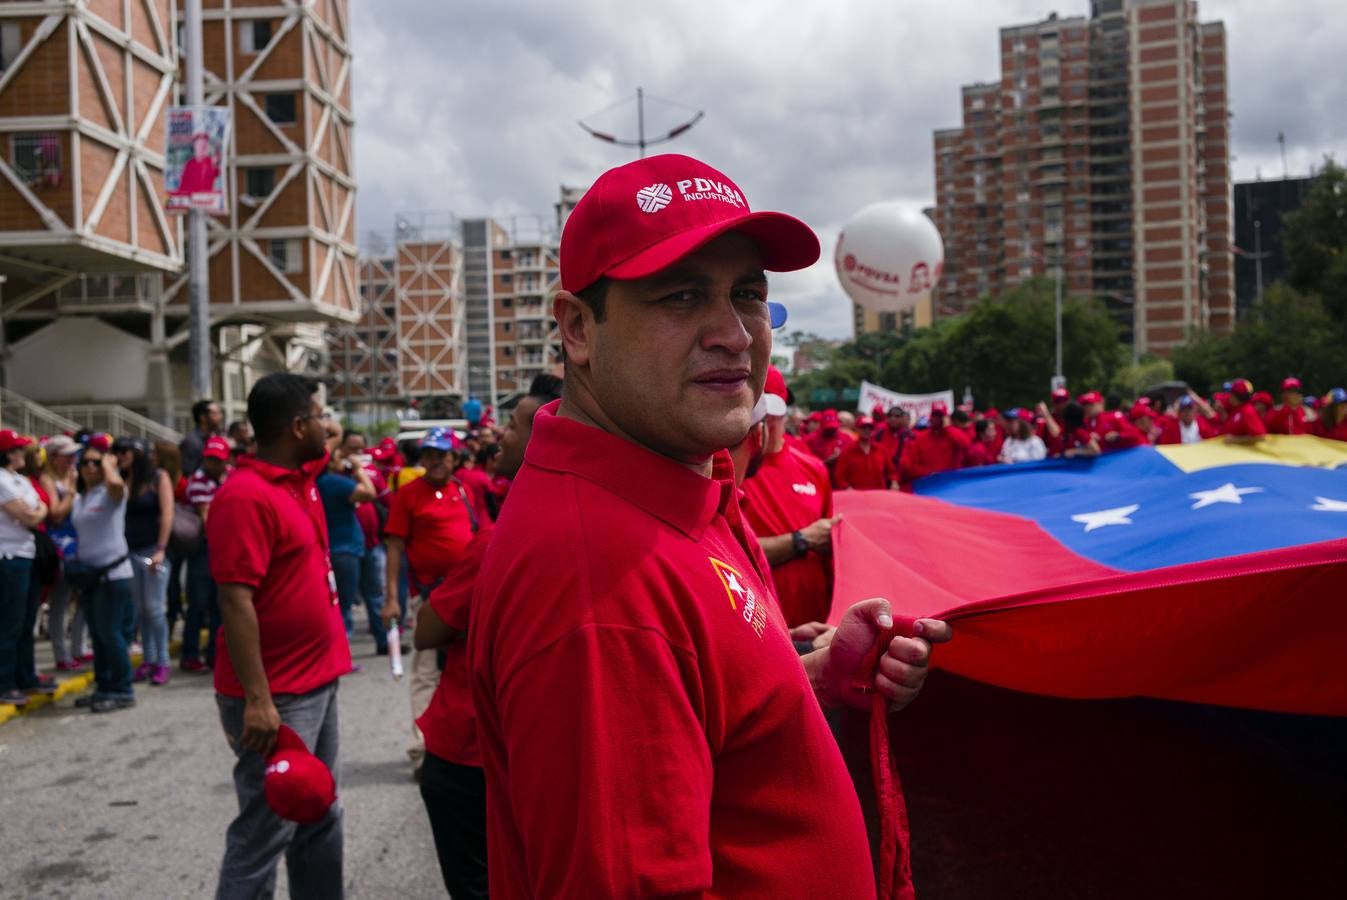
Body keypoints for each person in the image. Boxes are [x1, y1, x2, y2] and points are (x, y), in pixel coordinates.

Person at [469, 153, 951, 898]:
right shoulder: (598, 581)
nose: (732, 332)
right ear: (577, 329)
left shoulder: (678, 480)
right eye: (681, 296)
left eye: (747, 294)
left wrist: (813, 678)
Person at [413, 374, 562, 900]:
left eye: (517, 425)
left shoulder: (503, 540)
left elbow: (426, 631)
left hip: (470, 752)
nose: (501, 435)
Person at [207, 374, 348, 898]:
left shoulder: (299, 476)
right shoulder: (244, 496)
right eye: (316, 414)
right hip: (278, 693)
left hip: (316, 681)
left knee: (320, 811)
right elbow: (234, 599)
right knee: (269, 828)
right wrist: (259, 700)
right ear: (295, 427)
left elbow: (327, 437)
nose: (326, 423)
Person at [381, 426, 479, 777]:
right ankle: (424, 749)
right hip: (429, 596)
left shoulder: (464, 491)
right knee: (426, 672)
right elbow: (393, 547)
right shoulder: (407, 495)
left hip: (467, 596)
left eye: (442, 455)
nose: (435, 462)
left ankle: (458, 742)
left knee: (464, 670)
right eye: (430, 455)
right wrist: (391, 598)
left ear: (455, 459)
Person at [741, 385, 839, 628]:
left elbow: (830, 547)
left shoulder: (813, 468)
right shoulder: (733, 469)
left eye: (772, 413)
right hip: (759, 624)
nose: (767, 423)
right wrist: (801, 540)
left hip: (814, 622)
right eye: (759, 414)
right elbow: (731, 552)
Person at [71, 440, 136, 713]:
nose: (89, 467)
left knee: (111, 634)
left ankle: (123, 690)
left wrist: (110, 465)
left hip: (113, 574)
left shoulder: (111, 493)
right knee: (98, 635)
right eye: (85, 462)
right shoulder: (81, 497)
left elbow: (118, 486)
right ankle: (105, 685)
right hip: (91, 576)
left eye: (95, 462)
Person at [115, 438, 175, 686]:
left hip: (153, 550)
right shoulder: (122, 478)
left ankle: (163, 661)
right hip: (129, 551)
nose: (120, 455)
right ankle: (148, 659)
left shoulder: (158, 477)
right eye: (116, 452)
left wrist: (161, 548)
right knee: (141, 610)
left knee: (155, 608)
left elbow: (167, 513)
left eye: (124, 451)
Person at [0, 430, 52, 707]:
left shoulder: (20, 480)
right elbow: (31, 514)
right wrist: (38, 510)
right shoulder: (2, 480)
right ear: (7, 454)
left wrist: (38, 510)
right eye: (17, 449)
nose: (23, 454)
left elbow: (42, 507)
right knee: (10, 622)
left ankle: (25, 675)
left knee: (25, 621)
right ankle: (5, 682)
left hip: (27, 555)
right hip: (9, 557)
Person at [317, 432, 379, 648]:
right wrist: (359, 470)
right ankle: (342, 649)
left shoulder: (323, 482)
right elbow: (370, 492)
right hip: (346, 549)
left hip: (342, 547)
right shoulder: (334, 482)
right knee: (345, 604)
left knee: (346, 601)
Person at [181, 436, 231, 672]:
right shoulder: (199, 480)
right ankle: (190, 655)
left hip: (222, 547)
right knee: (198, 604)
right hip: (205, 549)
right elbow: (207, 516)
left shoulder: (228, 476)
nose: (213, 463)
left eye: (217, 460)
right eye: (210, 459)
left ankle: (214, 654)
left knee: (219, 605)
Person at [39, 435, 87, 671]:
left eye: (74, 455)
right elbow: (56, 513)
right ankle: (61, 654)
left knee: (80, 600)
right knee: (59, 603)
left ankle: (78, 648)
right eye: (67, 455)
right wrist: (70, 492)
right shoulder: (49, 479)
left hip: (75, 545)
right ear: (53, 457)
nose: (72, 459)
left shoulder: (71, 476)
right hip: (58, 547)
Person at [900, 401, 969, 481]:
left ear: (945, 418)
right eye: (935, 415)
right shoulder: (920, 437)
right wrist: (928, 473)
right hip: (928, 483)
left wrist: (948, 427)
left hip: (951, 483)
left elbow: (966, 444)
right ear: (931, 416)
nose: (937, 419)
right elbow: (911, 464)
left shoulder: (952, 435)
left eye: (940, 416)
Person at [834, 416, 899, 489]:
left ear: (873, 431)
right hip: (857, 496)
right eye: (863, 428)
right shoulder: (847, 451)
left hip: (879, 495)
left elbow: (892, 471)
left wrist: (894, 482)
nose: (867, 430)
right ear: (857, 429)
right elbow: (839, 476)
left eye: (870, 428)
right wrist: (848, 488)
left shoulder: (881, 450)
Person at [181, 398, 224, 479]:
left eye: (220, 413)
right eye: (215, 413)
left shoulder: (217, 437)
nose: (220, 417)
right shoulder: (192, 442)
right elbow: (189, 474)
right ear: (203, 417)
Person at [173, 132, 220, 196]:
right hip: (191, 199)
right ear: (195, 146)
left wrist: (216, 163)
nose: (203, 148)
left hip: (206, 200)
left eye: (205, 145)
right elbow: (183, 185)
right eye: (200, 145)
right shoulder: (189, 164)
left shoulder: (211, 162)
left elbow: (217, 173)